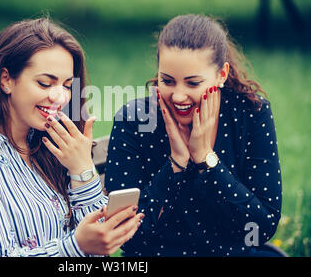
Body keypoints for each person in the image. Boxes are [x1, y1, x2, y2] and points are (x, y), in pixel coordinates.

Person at [0, 18, 144, 257]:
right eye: (45, 83)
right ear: (6, 80)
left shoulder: (49, 149)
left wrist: (82, 168)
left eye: (66, 85)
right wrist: (76, 247)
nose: (60, 98)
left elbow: (97, 249)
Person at [105, 14, 282, 257]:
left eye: (193, 83)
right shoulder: (134, 120)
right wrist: (175, 164)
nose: (178, 96)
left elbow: (261, 228)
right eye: (167, 81)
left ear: (221, 75)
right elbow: (126, 237)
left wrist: (205, 160)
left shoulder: (250, 114)